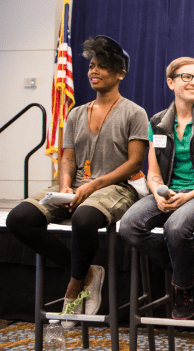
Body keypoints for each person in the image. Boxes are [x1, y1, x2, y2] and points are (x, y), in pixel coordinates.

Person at [6, 36, 148, 327]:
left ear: (120, 73)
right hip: (77, 182)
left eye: (103, 67)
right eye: (92, 66)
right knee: (19, 218)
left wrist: (93, 186)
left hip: (116, 186)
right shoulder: (75, 113)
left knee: (84, 218)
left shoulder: (134, 112)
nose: (93, 71)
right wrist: (65, 187)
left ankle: (73, 288)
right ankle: (87, 273)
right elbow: (67, 158)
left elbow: (134, 162)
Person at [119, 57, 194, 320]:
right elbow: (154, 174)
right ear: (171, 82)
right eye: (187, 77)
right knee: (129, 226)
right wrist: (159, 193)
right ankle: (191, 267)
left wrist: (188, 196)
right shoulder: (157, 122)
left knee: (175, 227)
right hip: (171, 192)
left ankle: (182, 287)